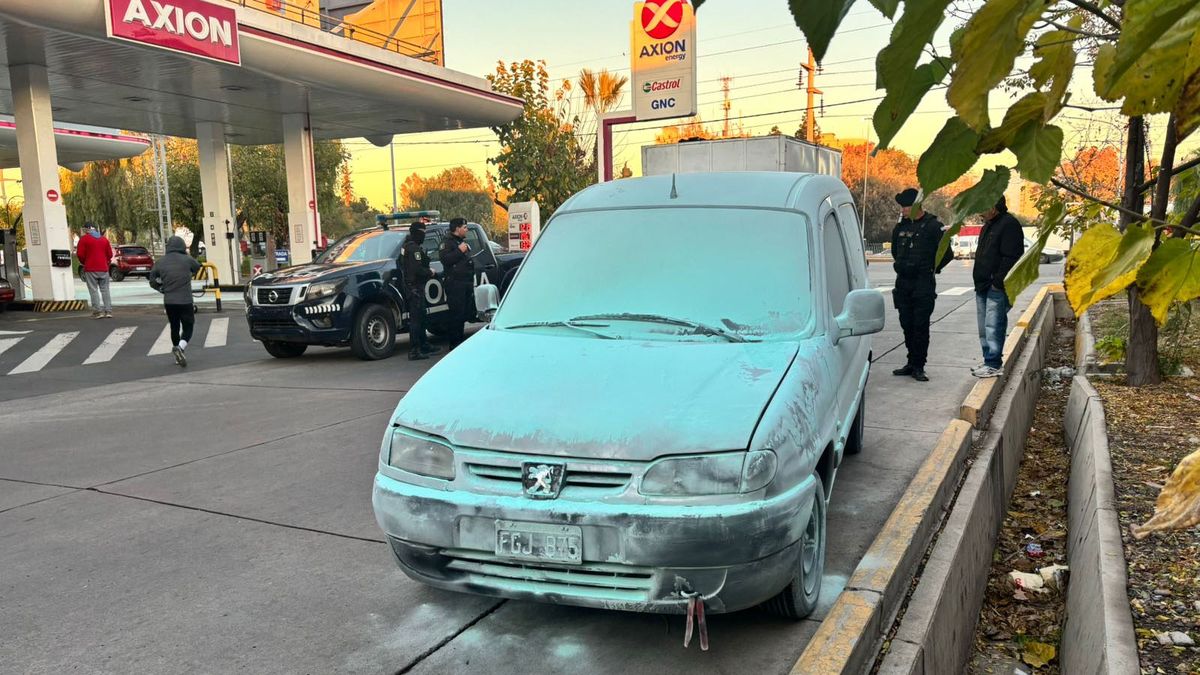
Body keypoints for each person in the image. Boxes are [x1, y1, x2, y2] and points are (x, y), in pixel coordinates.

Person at [891, 188, 952, 382]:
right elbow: (895, 251)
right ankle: (910, 362)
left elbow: (946, 254)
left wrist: (932, 268)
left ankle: (919, 365)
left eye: (906, 206)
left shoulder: (933, 226)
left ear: (916, 205)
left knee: (920, 326)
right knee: (906, 324)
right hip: (903, 284)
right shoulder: (900, 228)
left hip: (922, 285)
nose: (903, 210)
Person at [971, 196, 1025, 378]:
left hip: (996, 286)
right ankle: (988, 359)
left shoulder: (1009, 224)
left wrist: (997, 282)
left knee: (994, 326)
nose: (980, 211)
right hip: (982, 284)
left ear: (994, 207)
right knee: (983, 327)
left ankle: (994, 364)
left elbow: (1012, 257)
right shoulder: (988, 225)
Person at [148, 236, 201, 368]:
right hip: (185, 300)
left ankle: (177, 353)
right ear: (182, 246)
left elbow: (152, 280)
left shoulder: (160, 262)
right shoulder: (187, 259)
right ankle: (181, 348)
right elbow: (197, 267)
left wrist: (161, 289)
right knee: (188, 326)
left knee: (174, 327)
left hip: (169, 301)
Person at [400, 222, 442, 361]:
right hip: (415, 288)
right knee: (416, 320)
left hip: (414, 287)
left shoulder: (406, 246)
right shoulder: (413, 249)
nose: (424, 235)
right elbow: (417, 270)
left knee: (422, 318)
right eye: (423, 233)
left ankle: (424, 345)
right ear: (417, 233)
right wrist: (430, 272)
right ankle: (414, 350)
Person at [438, 217, 475, 350]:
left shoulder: (460, 241)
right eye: (464, 227)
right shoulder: (447, 242)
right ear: (457, 228)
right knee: (456, 315)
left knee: (463, 314)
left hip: (465, 283)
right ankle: (455, 344)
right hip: (455, 284)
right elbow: (445, 260)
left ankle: (460, 342)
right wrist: (460, 251)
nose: (466, 230)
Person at [76, 222, 113, 318]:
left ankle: (97, 312)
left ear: (87, 229)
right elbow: (110, 255)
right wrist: (105, 261)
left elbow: (80, 254)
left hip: (90, 268)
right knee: (105, 290)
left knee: (93, 290)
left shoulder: (84, 240)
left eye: (84, 229)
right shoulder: (104, 239)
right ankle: (108, 311)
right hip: (104, 268)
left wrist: (85, 262)